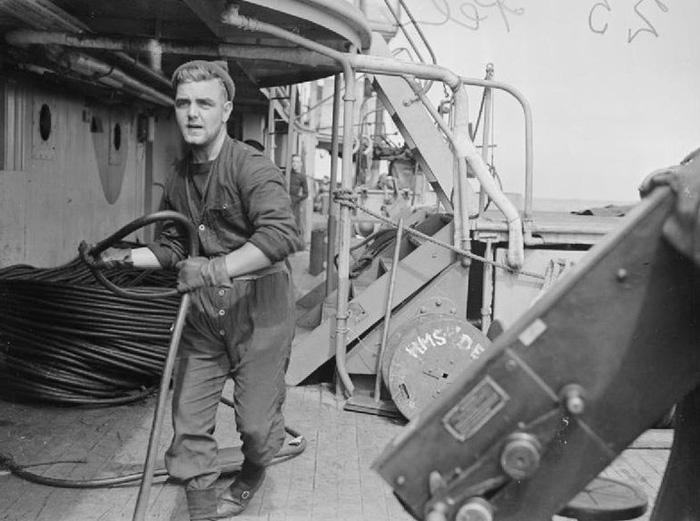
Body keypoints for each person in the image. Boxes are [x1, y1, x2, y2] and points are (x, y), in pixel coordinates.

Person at [93, 60, 299, 520]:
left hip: (259, 314)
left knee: (257, 429)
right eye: (183, 102)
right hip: (204, 318)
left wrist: (211, 270)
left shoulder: (252, 169)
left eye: (204, 103)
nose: (192, 113)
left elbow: (281, 237)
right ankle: (201, 511)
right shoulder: (179, 175)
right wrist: (122, 257)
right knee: (187, 425)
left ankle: (252, 473)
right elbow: (172, 246)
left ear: (225, 109)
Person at [288, 154, 308, 249]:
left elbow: (306, 193)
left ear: (301, 164)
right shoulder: (286, 174)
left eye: (297, 162)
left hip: (295, 203)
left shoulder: (302, 177)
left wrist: (297, 199)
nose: (295, 164)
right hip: (284, 201)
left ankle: (295, 245)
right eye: (293, 161)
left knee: (295, 224)